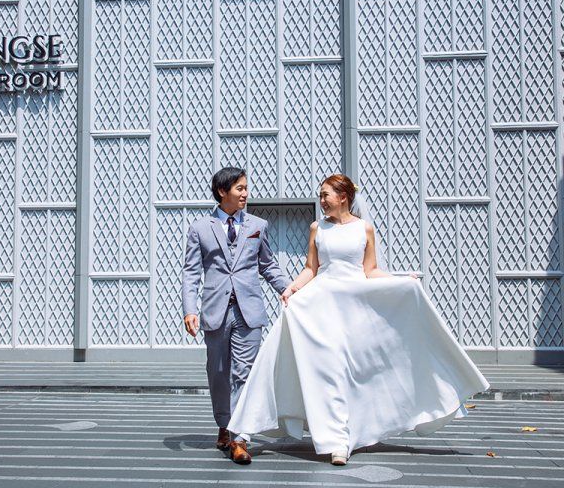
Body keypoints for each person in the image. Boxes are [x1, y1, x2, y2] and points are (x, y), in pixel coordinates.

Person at [226, 174, 490, 466]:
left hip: (354, 308)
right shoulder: (317, 228)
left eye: (325, 195)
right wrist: (292, 288)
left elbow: (370, 270)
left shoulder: (365, 229)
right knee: (327, 370)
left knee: (351, 372)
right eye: (320, 195)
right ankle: (336, 442)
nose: (321, 200)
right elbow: (311, 268)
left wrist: (401, 281)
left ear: (343, 197)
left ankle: (346, 436)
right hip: (322, 306)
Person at [181, 167, 290, 464]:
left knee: (245, 373)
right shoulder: (200, 228)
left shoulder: (258, 225)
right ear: (222, 191)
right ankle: (223, 423)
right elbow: (191, 272)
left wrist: (288, 290)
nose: (245, 193)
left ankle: (240, 437)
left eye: (245, 188)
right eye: (239, 188)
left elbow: (268, 265)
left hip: (248, 311)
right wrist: (189, 309)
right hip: (215, 310)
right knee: (218, 372)